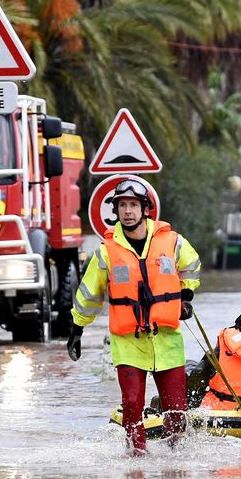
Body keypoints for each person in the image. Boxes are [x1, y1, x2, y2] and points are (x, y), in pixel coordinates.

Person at [66, 178, 202, 456]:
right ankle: (135, 466)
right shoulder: (106, 252)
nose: (128, 211)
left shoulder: (172, 241)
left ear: (145, 210)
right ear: (116, 210)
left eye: (133, 205)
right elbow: (88, 294)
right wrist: (77, 328)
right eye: (123, 205)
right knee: (132, 405)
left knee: (176, 410)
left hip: (167, 339)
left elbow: (192, 266)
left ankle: (177, 467)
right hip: (128, 342)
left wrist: (186, 297)